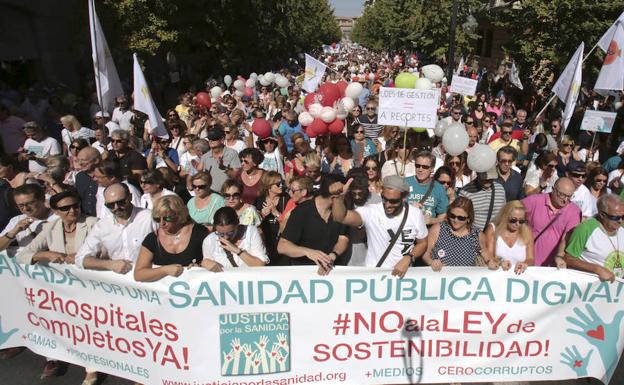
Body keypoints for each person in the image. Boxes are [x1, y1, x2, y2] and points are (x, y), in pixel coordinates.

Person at [331, 175, 428, 276]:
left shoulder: (415, 214)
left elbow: (423, 243)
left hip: (402, 275)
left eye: (393, 201)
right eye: (384, 199)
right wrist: (338, 198)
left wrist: (409, 258)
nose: (387, 204)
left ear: (404, 198)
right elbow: (341, 217)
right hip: (375, 275)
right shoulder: (371, 211)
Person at [278, 174, 350, 274]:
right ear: (334, 196)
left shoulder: (342, 211)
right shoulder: (302, 211)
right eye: (345, 194)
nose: (347, 198)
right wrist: (307, 252)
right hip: (303, 273)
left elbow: (343, 239)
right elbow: (282, 246)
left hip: (332, 272)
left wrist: (333, 254)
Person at [76, 183, 156, 272]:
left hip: (149, 278)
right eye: (110, 205)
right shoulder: (102, 226)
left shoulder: (149, 218)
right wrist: (110, 264)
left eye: (121, 202)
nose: (116, 207)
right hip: (118, 282)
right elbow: (80, 258)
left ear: (130, 197)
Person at [134, 195, 209, 281]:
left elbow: (214, 262)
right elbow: (139, 274)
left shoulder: (200, 233)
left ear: (180, 215)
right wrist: (164, 270)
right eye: (158, 219)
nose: (162, 223)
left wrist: (201, 265)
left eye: (167, 218)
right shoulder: (153, 238)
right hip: (166, 293)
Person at [16, 191, 97, 264]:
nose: (72, 210)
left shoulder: (93, 223)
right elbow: (21, 256)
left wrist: (80, 256)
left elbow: (105, 251)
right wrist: (46, 254)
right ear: (56, 212)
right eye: (65, 208)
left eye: (76, 206)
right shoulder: (49, 228)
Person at [422, 197, 495, 270]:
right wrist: (431, 262)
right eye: (452, 216)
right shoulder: (438, 229)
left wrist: (490, 262)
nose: (455, 220)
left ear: (469, 219)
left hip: (466, 278)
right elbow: (426, 252)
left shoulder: (477, 235)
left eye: (461, 218)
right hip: (440, 277)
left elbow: (486, 254)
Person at [522, 177, 581, 267]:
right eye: (562, 195)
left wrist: (559, 256)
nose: (565, 199)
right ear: (553, 190)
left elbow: (566, 238)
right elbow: (512, 211)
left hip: (552, 267)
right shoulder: (534, 201)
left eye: (569, 196)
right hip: (526, 261)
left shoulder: (574, 211)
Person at [565, 194, 624, 282]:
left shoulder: (622, 228)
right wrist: (597, 269)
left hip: (615, 291)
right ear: (602, 215)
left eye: (623, 217)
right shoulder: (585, 229)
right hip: (591, 289)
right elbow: (568, 258)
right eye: (615, 217)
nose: (620, 221)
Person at [0, 183, 58, 258]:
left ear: (43, 199)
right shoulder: (16, 220)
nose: (26, 208)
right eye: (21, 205)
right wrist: (14, 231)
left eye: (30, 203)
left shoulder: (58, 216)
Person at [201, 207, 268, 269]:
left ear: (238, 222)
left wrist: (237, 251)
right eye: (220, 233)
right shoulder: (209, 241)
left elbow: (260, 265)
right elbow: (208, 267)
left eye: (230, 232)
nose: (226, 237)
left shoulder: (251, 232)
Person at [484, 200, 534, 274]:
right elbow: (489, 257)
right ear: (505, 217)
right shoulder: (493, 229)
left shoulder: (527, 232)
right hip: (496, 277)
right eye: (513, 220)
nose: (517, 224)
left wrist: (525, 264)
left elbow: (530, 259)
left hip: (518, 277)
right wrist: (500, 263)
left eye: (521, 221)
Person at [405, 151, 448, 225]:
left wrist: (431, 221)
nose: (420, 169)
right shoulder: (404, 183)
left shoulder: (439, 188)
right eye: (418, 165)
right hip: (406, 229)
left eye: (425, 167)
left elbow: (443, 216)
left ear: (432, 169)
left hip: (428, 231)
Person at [255, 171, 288, 265]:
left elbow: (290, 222)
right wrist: (262, 215)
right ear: (269, 186)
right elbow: (254, 224)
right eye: (278, 184)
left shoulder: (286, 199)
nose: (281, 185)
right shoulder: (259, 200)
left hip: (281, 240)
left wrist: (276, 213)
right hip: (266, 241)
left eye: (282, 183)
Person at [200, 128, 241, 192]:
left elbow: (236, 175)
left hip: (227, 194)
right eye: (209, 139)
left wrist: (224, 168)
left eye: (214, 139)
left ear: (222, 139)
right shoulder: (205, 156)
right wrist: (200, 172)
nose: (211, 141)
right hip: (211, 194)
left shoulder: (232, 153)